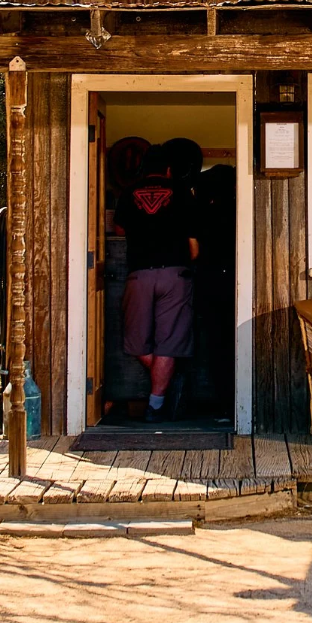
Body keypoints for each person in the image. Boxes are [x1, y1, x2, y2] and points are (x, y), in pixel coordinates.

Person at [115, 145, 198, 423]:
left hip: (139, 274)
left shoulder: (128, 192)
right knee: (169, 344)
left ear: (143, 168)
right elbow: (194, 246)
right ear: (169, 170)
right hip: (175, 274)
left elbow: (118, 229)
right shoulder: (183, 192)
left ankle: (156, 399)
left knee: (136, 342)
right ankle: (157, 403)